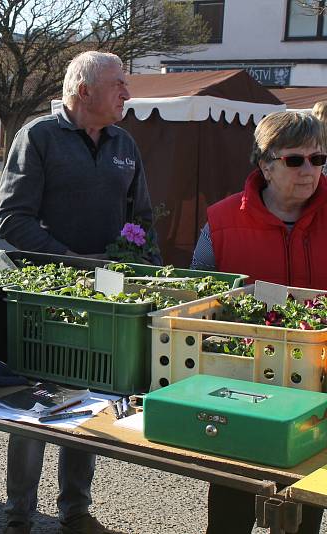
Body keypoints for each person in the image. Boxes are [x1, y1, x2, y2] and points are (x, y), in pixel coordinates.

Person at [0, 51, 156, 534]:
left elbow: (142, 219)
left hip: (106, 290)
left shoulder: (124, 142)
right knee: (36, 400)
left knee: (91, 394)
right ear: (84, 91)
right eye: (118, 84)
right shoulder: (39, 137)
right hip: (46, 291)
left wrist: (143, 271)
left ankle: (75, 511)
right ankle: (18, 515)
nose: (127, 93)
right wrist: (71, 261)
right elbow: (11, 219)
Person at [192, 112, 327, 534]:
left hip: (318, 388)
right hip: (240, 385)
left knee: (304, 507)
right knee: (231, 510)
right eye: (295, 161)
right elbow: (200, 304)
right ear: (265, 164)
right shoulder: (221, 222)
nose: (309, 171)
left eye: (318, 158)